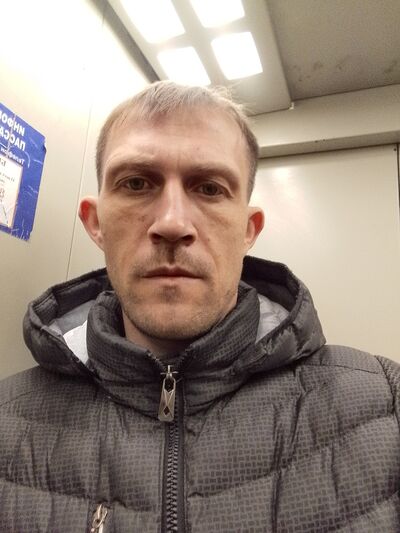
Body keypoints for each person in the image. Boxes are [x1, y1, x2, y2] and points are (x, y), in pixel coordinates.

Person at [0, 81, 399, 532]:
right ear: (96, 224)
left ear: (248, 230)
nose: (172, 224)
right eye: (136, 183)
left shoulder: (388, 406)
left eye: (209, 188)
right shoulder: (6, 423)